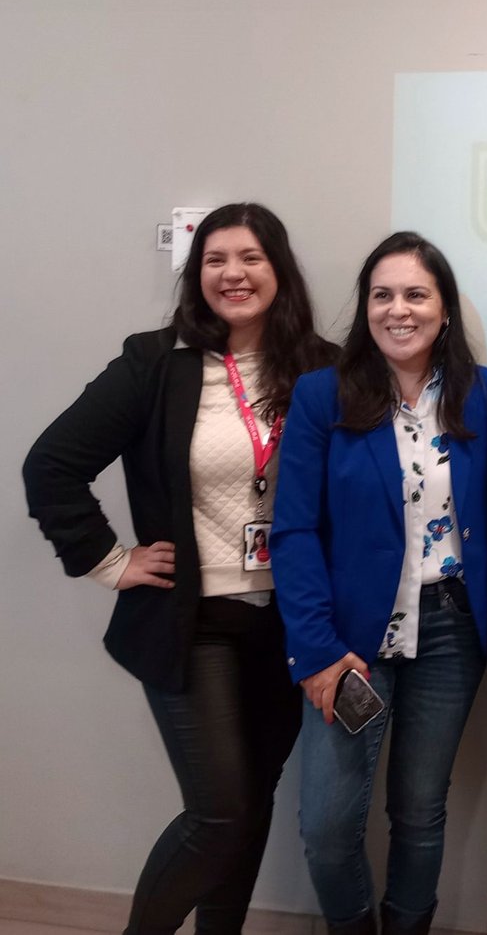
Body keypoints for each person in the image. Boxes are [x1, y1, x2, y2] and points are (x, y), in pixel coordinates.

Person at [23, 203, 334, 934]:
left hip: (291, 625)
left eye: (251, 257)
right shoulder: (155, 363)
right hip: (195, 624)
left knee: (251, 806)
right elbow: (51, 464)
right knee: (218, 813)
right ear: (196, 275)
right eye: (215, 259)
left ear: (280, 270)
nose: (233, 273)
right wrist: (109, 561)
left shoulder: (321, 368)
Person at [270, 232, 487, 935]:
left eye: (416, 295)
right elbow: (294, 529)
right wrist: (315, 650)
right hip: (348, 640)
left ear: (444, 309)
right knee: (327, 825)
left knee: (420, 811)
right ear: (366, 306)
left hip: (451, 630)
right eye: (383, 295)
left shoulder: (483, 394)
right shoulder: (322, 395)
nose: (398, 310)